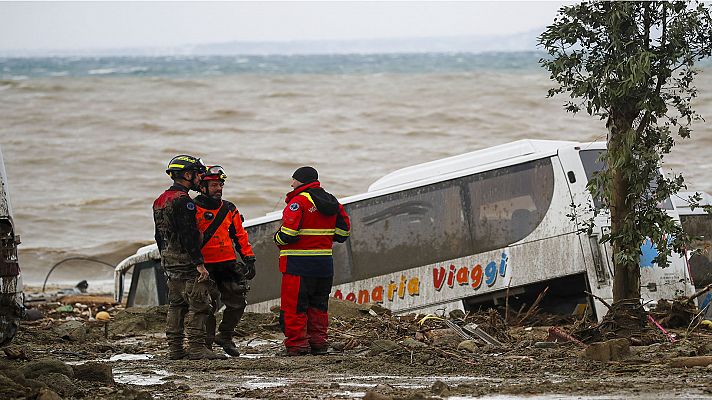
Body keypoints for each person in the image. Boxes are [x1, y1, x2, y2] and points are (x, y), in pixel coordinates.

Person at [153, 154, 226, 360]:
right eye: (198, 174)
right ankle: (196, 348)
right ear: (187, 175)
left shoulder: (160, 200)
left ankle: (175, 349)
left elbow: (159, 235)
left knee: (176, 305)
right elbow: (189, 235)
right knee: (199, 305)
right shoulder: (184, 202)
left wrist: (165, 257)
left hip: (169, 259)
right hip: (187, 262)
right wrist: (200, 264)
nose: (200, 178)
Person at [273, 166, 350, 356]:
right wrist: (322, 239)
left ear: (301, 181)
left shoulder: (298, 201)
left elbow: (288, 233)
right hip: (324, 264)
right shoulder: (332, 201)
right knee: (318, 306)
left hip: (297, 265)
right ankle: (318, 344)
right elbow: (343, 232)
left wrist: (277, 239)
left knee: (295, 307)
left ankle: (298, 346)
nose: (291, 184)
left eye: (294, 180)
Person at [194, 165, 257, 357]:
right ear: (203, 187)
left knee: (238, 302)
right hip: (204, 266)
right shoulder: (192, 207)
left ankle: (226, 335)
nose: (218, 188)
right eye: (214, 185)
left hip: (227, 264)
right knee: (207, 306)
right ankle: (208, 344)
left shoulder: (230, 208)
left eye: (220, 184)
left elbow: (240, 235)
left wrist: (249, 258)